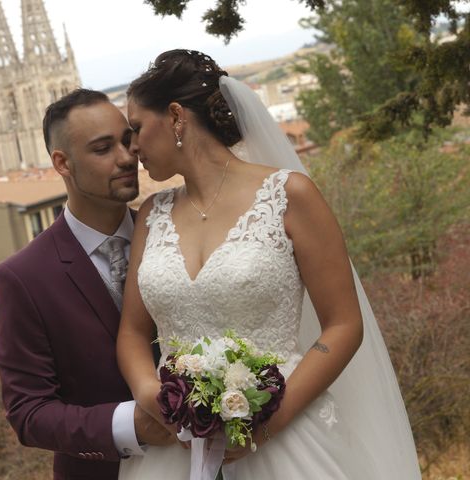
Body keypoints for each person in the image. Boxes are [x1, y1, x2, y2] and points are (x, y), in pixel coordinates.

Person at [116, 50, 421, 479]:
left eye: (137, 128)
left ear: (175, 116)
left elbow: (344, 325)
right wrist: (156, 398)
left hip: (286, 434)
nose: (132, 147)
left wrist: (266, 423)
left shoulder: (289, 195)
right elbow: (132, 331)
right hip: (176, 448)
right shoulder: (152, 213)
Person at [0, 89, 172, 480]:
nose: (127, 158)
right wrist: (132, 426)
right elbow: (28, 412)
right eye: (103, 149)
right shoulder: (22, 278)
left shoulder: (173, 234)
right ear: (62, 163)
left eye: (127, 140)